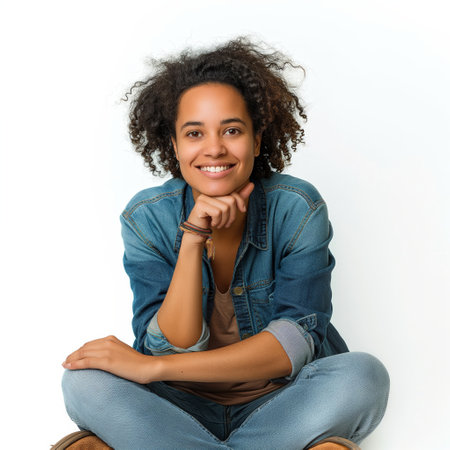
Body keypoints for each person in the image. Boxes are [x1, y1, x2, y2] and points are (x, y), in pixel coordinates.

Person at [60, 37, 390, 450]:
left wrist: (152, 368)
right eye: (194, 133)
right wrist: (193, 238)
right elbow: (169, 342)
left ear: (255, 139)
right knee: (83, 382)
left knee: (363, 375)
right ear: (175, 145)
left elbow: (295, 343)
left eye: (231, 130)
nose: (214, 148)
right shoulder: (147, 218)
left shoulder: (297, 208)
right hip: (177, 404)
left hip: (280, 401)